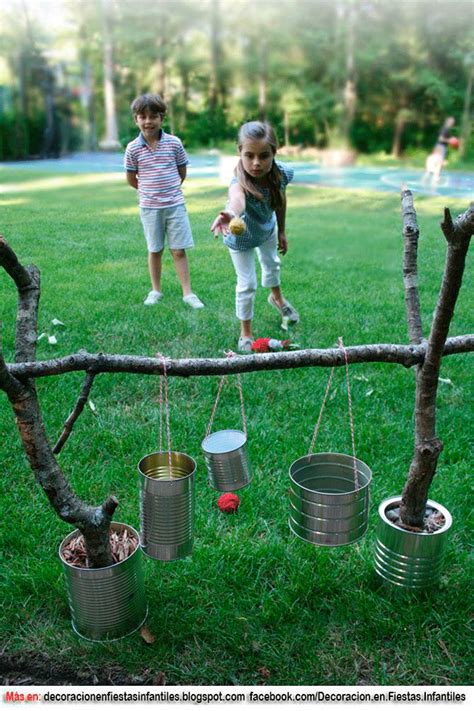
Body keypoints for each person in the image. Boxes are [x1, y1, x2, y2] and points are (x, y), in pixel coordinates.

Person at [210, 121, 299, 353]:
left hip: (267, 230)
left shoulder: (281, 175)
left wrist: (281, 230)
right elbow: (236, 200)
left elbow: (280, 201)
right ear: (239, 152)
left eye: (264, 156)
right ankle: (246, 332)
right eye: (249, 156)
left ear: (274, 154)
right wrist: (231, 214)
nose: (256, 163)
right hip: (240, 239)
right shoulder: (238, 182)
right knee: (247, 284)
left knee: (272, 264)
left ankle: (277, 299)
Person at [125, 93, 204, 308]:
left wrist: (168, 191)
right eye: (143, 116)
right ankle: (156, 290)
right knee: (155, 249)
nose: (148, 121)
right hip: (150, 209)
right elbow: (132, 179)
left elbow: (181, 172)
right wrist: (150, 193)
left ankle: (188, 293)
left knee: (178, 250)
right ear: (136, 119)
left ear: (162, 118)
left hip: (174, 206)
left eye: (153, 116)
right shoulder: (133, 148)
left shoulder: (174, 143)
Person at [423, 116, 456, 188]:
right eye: (451, 122)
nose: (452, 124)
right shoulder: (445, 129)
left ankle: (424, 184)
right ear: (447, 121)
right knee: (437, 169)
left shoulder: (445, 129)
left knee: (431, 169)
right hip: (440, 148)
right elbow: (440, 139)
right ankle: (432, 188)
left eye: (453, 122)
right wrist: (449, 140)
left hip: (439, 147)